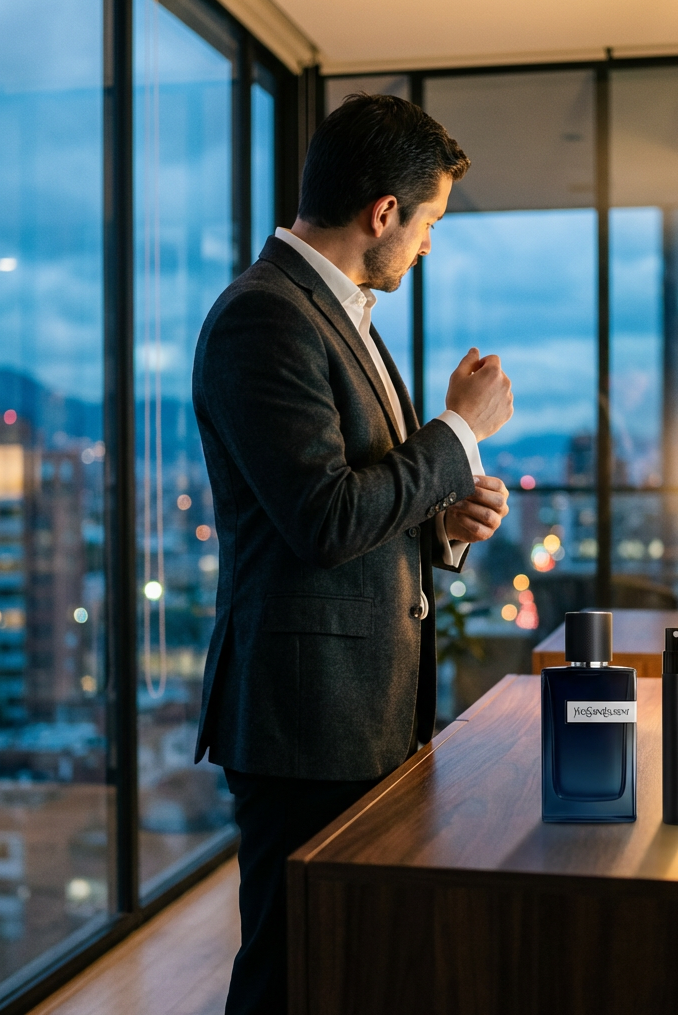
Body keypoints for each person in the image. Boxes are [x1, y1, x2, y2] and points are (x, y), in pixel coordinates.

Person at [191, 93, 514, 1015]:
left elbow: (354, 506)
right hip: (304, 715)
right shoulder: (264, 315)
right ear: (383, 213)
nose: (426, 245)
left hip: (354, 707)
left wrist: (438, 532)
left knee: (352, 957)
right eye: (429, 223)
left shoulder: (341, 312)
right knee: (291, 969)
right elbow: (323, 518)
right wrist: (457, 431)